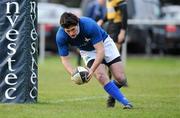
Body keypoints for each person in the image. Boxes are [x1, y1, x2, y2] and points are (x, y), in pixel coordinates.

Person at [56, 12, 133, 109]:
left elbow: (100, 51)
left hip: (104, 44)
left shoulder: (89, 25)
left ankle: (112, 91)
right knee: (100, 76)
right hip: (87, 51)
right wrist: (73, 74)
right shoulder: (60, 36)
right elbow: (65, 59)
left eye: (73, 29)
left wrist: (91, 70)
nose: (71, 33)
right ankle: (126, 103)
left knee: (121, 78)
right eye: (68, 31)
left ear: (78, 24)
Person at [98, 0, 128, 107]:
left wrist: (123, 31)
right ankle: (113, 87)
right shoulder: (109, 1)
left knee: (112, 61)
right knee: (107, 61)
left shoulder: (119, 1)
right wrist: (102, 20)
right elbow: (110, 12)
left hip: (118, 27)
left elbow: (125, 15)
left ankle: (112, 93)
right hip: (110, 26)